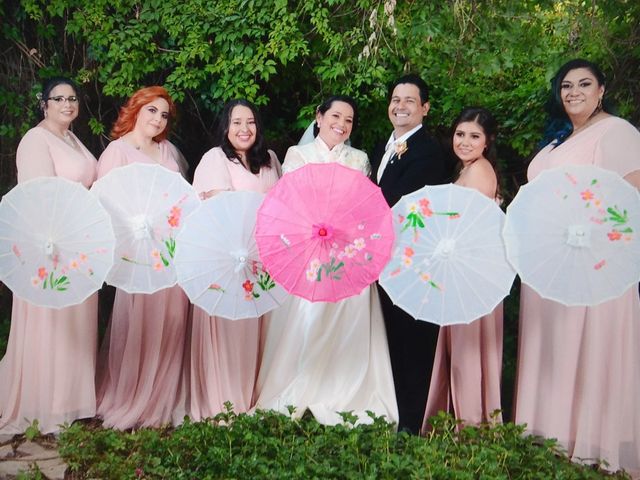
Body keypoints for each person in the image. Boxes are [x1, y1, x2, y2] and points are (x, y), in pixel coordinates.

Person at [514, 59, 640, 474]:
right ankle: (549, 429)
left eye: (584, 84)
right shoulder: (562, 139)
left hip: (591, 262)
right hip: (550, 263)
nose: (574, 92)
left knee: (587, 343)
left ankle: (593, 435)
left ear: (602, 90)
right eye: (566, 86)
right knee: (554, 345)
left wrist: (588, 232)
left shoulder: (617, 132)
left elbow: (630, 204)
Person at [254, 95, 398, 426]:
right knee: (308, 315)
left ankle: (341, 389)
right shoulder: (298, 155)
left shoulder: (359, 159)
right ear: (319, 117)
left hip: (347, 251)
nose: (341, 124)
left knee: (348, 315)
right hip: (309, 248)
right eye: (335, 116)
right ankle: (300, 384)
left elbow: (366, 208)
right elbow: (288, 204)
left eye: (349, 120)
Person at [0, 77, 99, 434]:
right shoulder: (35, 139)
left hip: (79, 243)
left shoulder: (71, 139)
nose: (67, 104)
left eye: (72, 98)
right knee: (52, 322)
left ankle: (74, 401)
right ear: (44, 104)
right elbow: (37, 195)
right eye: (59, 99)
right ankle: (47, 404)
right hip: (51, 243)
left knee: (75, 323)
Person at [95, 86, 190, 430]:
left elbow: (181, 199)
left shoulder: (168, 151)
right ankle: (133, 395)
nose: (158, 119)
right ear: (136, 110)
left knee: (174, 318)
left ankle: (163, 395)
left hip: (169, 251)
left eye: (164, 114)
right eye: (152, 110)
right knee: (139, 322)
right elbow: (105, 204)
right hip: (136, 253)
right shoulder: (117, 153)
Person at [188, 99, 281, 420]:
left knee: (257, 327)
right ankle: (224, 401)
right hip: (228, 258)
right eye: (237, 122)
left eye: (251, 122)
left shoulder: (269, 160)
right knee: (229, 327)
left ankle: (254, 395)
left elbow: (281, 205)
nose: (244, 129)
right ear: (226, 127)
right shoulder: (215, 159)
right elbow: (218, 210)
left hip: (262, 258)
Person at [370, 74, 450, 434]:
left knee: (413, 338)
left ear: (425, 108)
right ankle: (395, 410)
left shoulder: (428, 152)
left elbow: (402, 203)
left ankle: (412, 419)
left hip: (413, 259)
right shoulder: (386, 146)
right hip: (388, 257)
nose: (400, 106)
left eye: (409, 100)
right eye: (395, 98)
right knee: (394, 335)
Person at [421, 107, 503, 430]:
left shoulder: (480, 171)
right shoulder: (466, 169)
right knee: (462, 344)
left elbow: (473, 225)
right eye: (460, 134)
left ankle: (470, 421)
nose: (465, 142)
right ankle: (461, 414)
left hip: (473, 268)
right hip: (462, 265)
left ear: (487, 142)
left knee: (470, 346)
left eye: (474, 136)